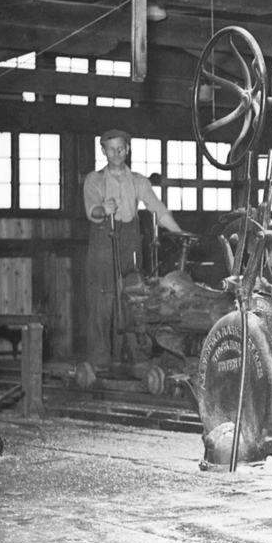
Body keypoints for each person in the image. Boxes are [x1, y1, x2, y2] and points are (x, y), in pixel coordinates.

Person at [83, 129, 186, 371]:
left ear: (127, 149)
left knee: (132, 300)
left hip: (130, 245)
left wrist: (180, 234)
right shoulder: (94, 179)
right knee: (102, 302)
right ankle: (99, 361)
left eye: (120, 148)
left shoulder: (138, 181)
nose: (116, 153)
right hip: (102, 248)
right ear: (103, 151)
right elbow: (92, 210)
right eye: (111, 149)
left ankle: (129, 357)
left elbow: (158, 209)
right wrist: (103, 210)